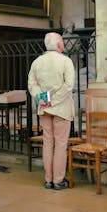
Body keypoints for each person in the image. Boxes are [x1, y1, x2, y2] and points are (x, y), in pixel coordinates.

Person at [28, 32, 75, 190]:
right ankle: (58, 180)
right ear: (60, 45)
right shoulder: (65, 61)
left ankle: (48, 179)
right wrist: (54, 101)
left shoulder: (37, 62)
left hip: (45, 108)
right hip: (61, 108)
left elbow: (32, 85)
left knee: (48, 143)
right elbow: (68, 86)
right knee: (61, 144)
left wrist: (44, 100)